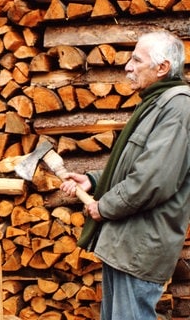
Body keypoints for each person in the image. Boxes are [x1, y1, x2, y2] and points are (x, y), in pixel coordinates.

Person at [60, 30, 190, 320]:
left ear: (162, 68)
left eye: (136, 60)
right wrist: (93, 181)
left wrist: (104, 206)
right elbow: (136, 163)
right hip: (125, 244)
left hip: (140, 246)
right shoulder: (156, 103)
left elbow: (153, 180)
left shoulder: (178, 106)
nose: (127, 67)